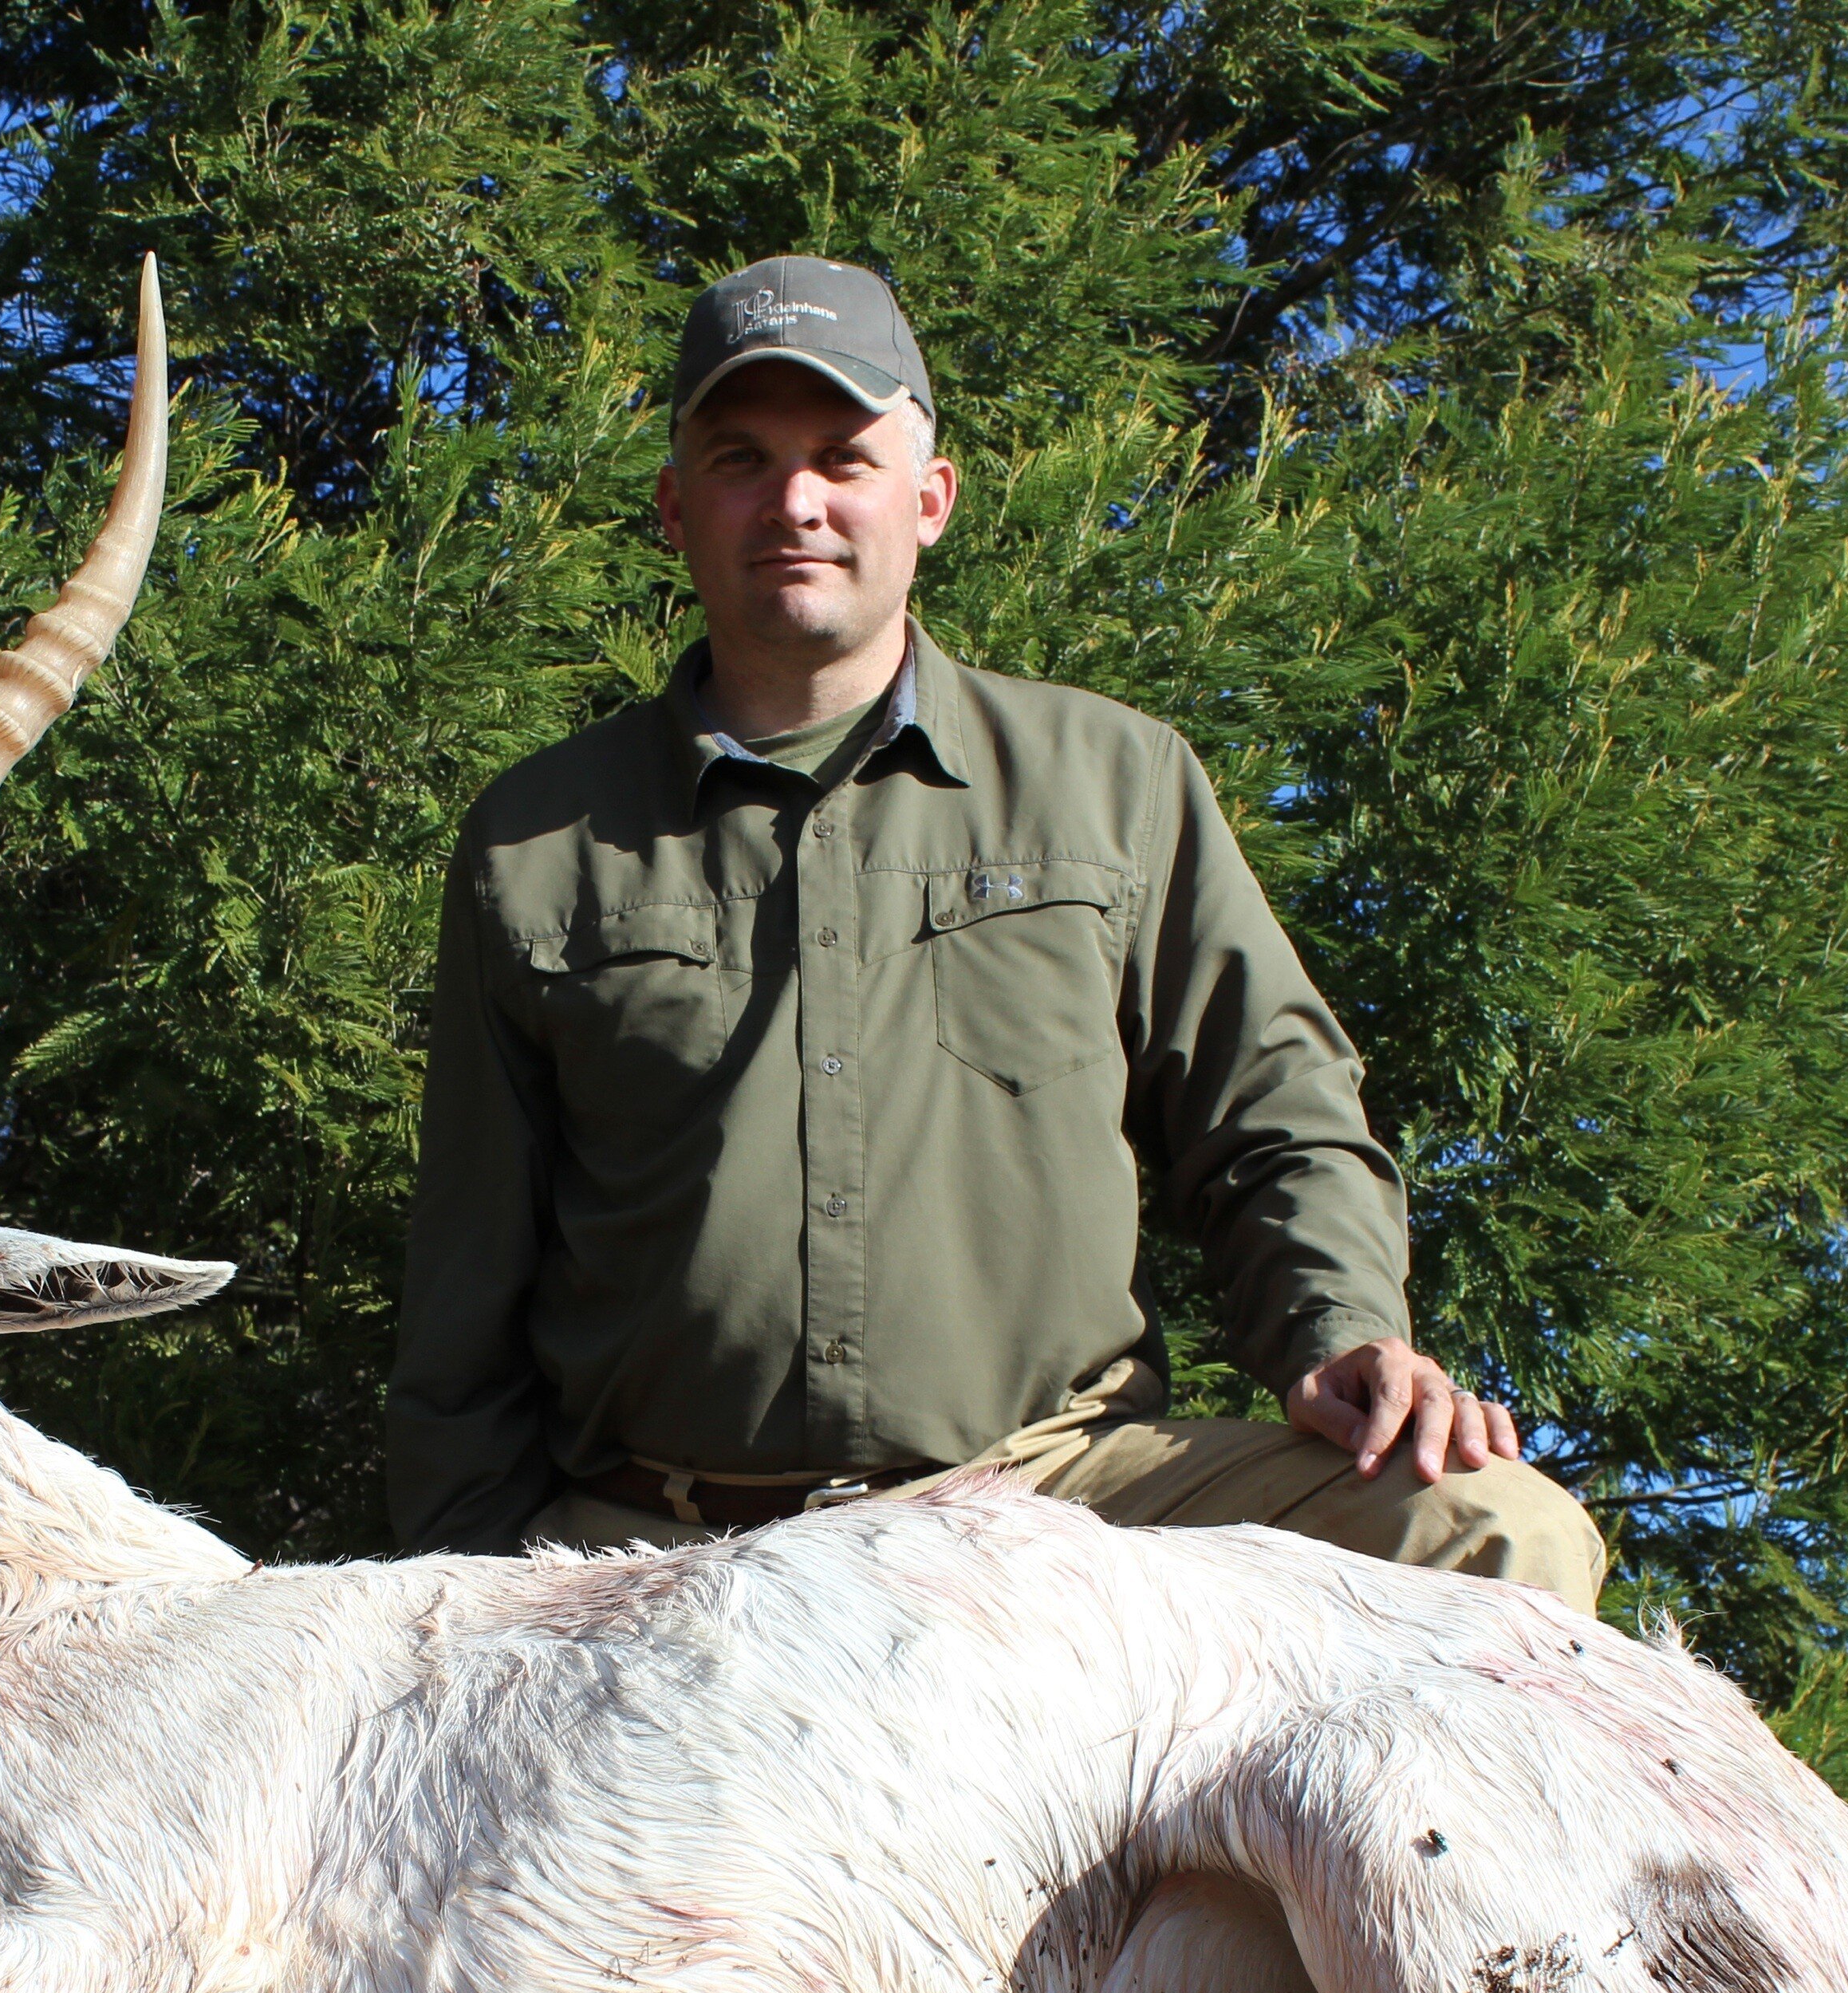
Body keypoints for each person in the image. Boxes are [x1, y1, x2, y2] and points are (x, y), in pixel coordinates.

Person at [386, 254, 1603, 1609]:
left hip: (1060, 1500)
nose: (796, 500)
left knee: (1496, 1538)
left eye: (844, 457)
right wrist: (461, 1596)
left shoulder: (1114, 779)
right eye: (741, 458)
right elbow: (467, 1284)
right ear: (677, 509)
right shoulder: (533, 839)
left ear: (931, 499)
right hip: (665, 1545)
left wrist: (1343, 1331)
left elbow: (1277, 1104)